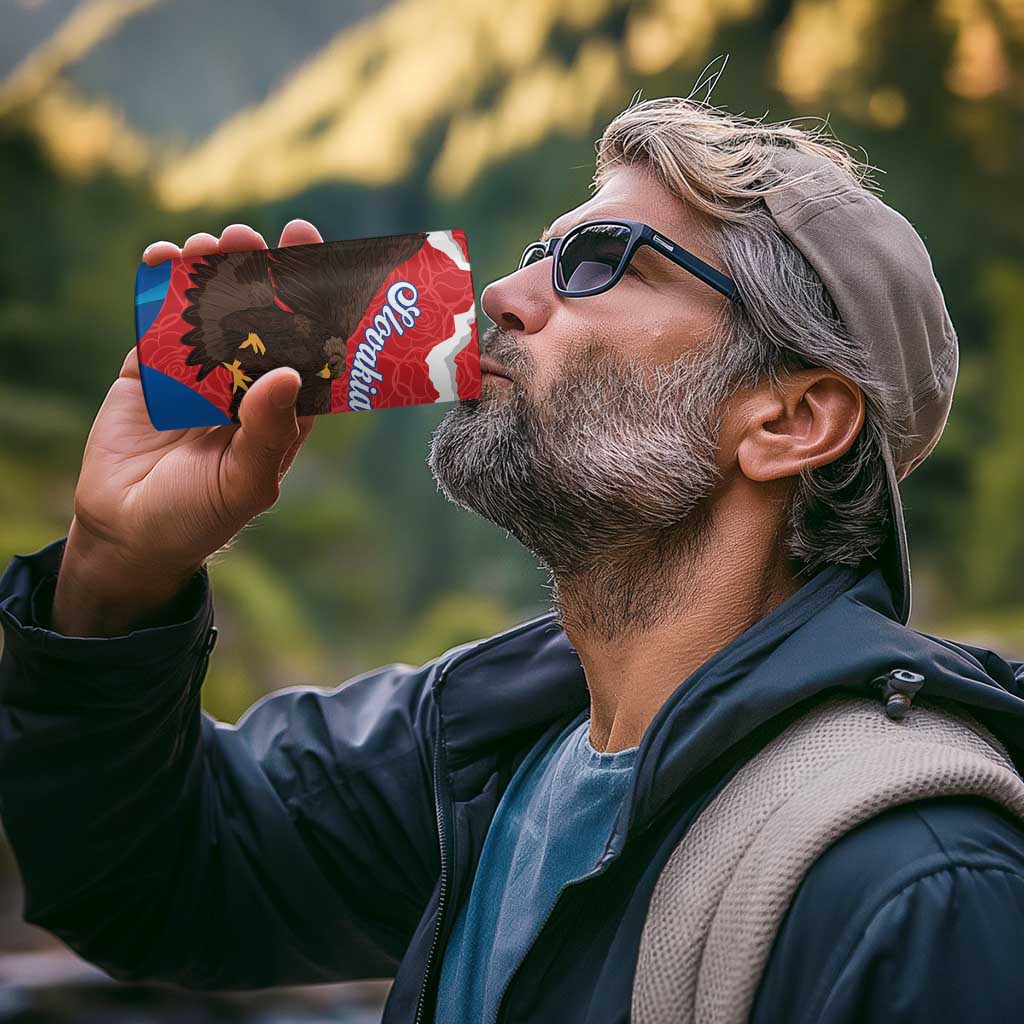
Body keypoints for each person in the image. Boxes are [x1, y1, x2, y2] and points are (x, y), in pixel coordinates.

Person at [2, 94, 1024, 1024]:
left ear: (790, 419)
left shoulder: (918, 884)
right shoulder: (480, 749)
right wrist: (115, 572)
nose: (501, 292)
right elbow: (149, 880)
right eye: (540, 252)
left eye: (599, 262)